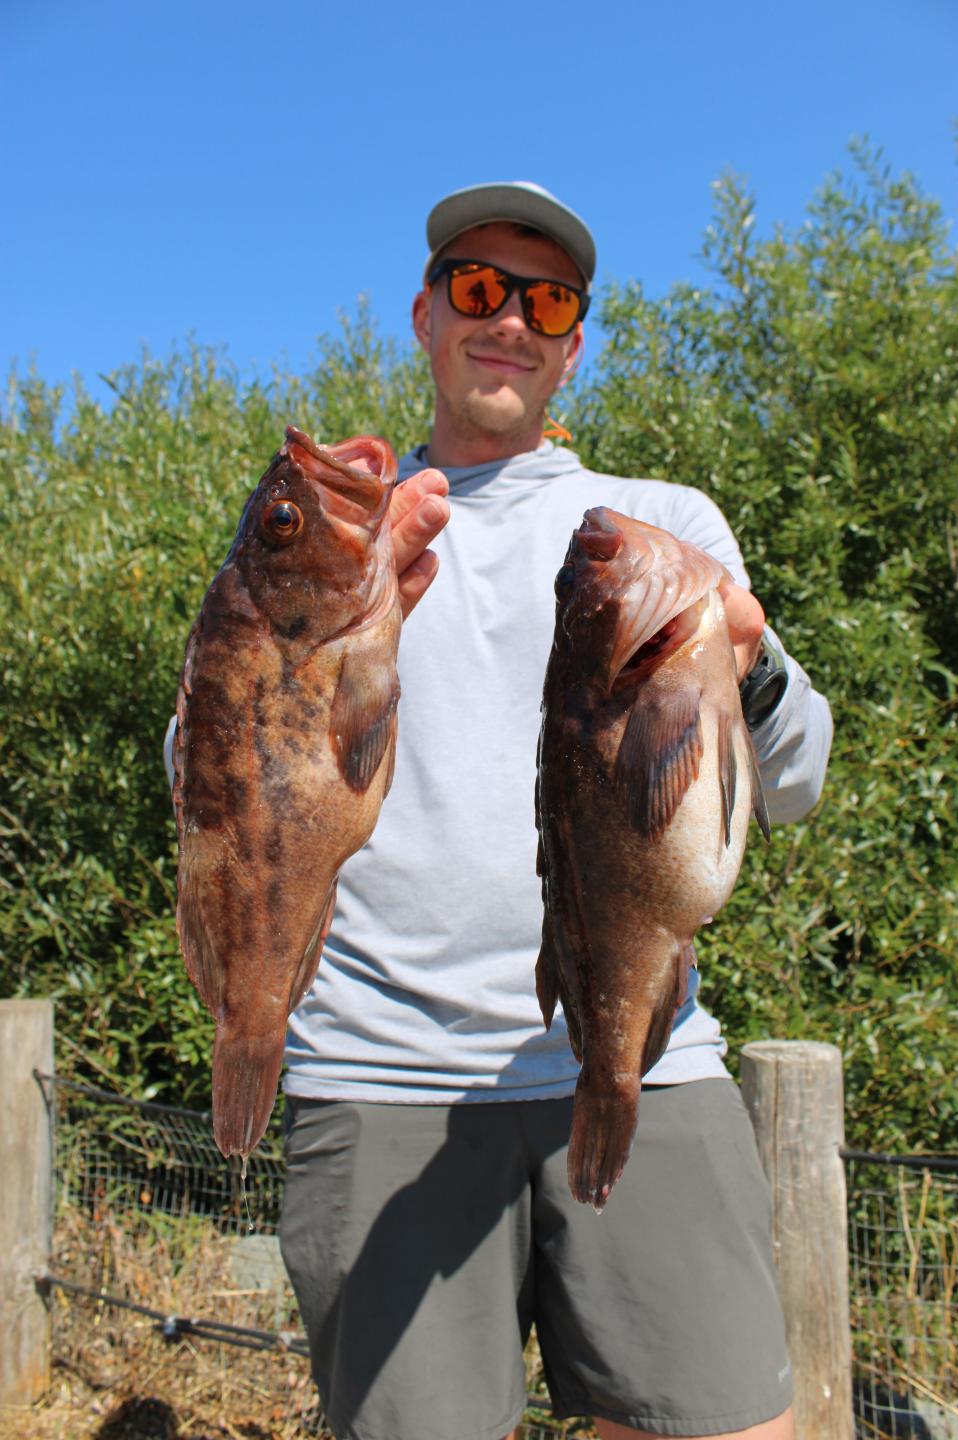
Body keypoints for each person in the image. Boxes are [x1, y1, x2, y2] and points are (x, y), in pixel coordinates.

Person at [277, 182, 833, 1440]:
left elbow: (791, 786)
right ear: (424, 314)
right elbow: (205, 777)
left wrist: (752, 668)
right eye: (478, 287)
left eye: (548, 300)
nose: (509, 320)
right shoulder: (336, 532)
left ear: (574, 343)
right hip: (383, 1075)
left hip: (647, 1052)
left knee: (732, 1425)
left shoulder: (667, 530)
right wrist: (325, 640)